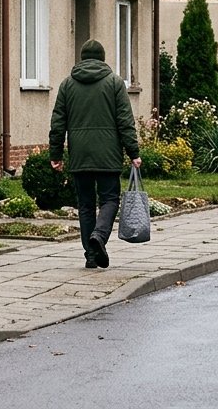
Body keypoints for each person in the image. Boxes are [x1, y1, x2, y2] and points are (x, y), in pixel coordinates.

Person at [49, 39, 141, 269]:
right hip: (108, 154)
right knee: (110, 199)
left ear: (82, 58)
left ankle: (91, 255)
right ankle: (99, 236)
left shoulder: (67, 85)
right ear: (102, 58)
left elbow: (58, 122)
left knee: (86, 205)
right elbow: (125, 121)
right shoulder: (114, 83)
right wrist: (133, 152)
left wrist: (56, 153)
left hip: (80, 154)